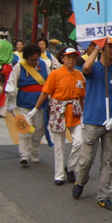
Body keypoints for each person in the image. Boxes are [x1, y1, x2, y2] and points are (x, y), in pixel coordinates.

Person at [72, 41, 112, 211]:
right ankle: (80, 181)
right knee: (86, 160)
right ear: (103, 49)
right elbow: (86, 68)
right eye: (110, 47)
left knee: (108, 161)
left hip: (110, 124)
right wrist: (97, 46)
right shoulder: (94, 68)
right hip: (92, 122)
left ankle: (103, 196)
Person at [28, 47, 85, 186]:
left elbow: (82, 96)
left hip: (75, 112)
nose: (71, 59)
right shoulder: (55, 74)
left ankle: (71, 167)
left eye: (73, 57)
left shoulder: (79, 75)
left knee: (80, 142)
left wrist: (83, 113)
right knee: (59, 144)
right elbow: (45, 92)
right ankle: (59, 175)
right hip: (59, 111)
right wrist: (35, 109)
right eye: (68, 57)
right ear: (62, 58)